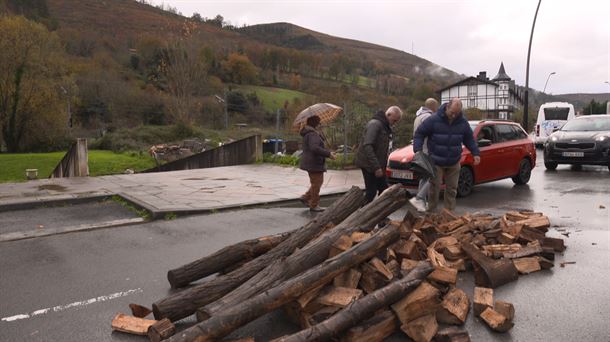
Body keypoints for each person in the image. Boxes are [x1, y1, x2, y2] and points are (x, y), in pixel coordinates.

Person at [413, 98, 480, 212]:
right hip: (436, 161)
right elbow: (419, 133)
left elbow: (469, 139)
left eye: (457, 113)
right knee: (434, 188)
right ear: (447, 107)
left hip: (454, 161)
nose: (454, 115)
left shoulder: (462, 122)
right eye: (452, 112)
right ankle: (431, 212)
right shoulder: (434, 119)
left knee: (452, 189)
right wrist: (418, 150)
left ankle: (448, 213)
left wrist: (475, 153)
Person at [354, 106, 403, 203]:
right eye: (394, 120)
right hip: (369, 165)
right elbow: (367, 145)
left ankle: (381, 215)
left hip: (377, 164)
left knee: (384, 190)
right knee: (371, 192)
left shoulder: (385, 126)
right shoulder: (375, 125)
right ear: (388, 115)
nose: (394, 123)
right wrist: (376, 167)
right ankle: (363, 214)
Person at [299, 115, 336, 212]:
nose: (320, 124)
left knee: (316, 183)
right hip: (314, 163)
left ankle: (305, 197)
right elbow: (314, 148)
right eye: (319, 122)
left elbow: (316, 146)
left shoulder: (310, 133)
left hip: (311, 162)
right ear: (315, 123)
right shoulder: (312, 134)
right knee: (317, 184)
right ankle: (314, 205)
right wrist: (328, 154)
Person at [409, 98, 439, 212]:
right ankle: (419, 198)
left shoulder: (418, 116)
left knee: (424, 177)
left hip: (420, 149)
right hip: (428, 150)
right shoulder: (428, 117)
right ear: (433, 107)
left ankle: (421, 204)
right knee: (433, 176)